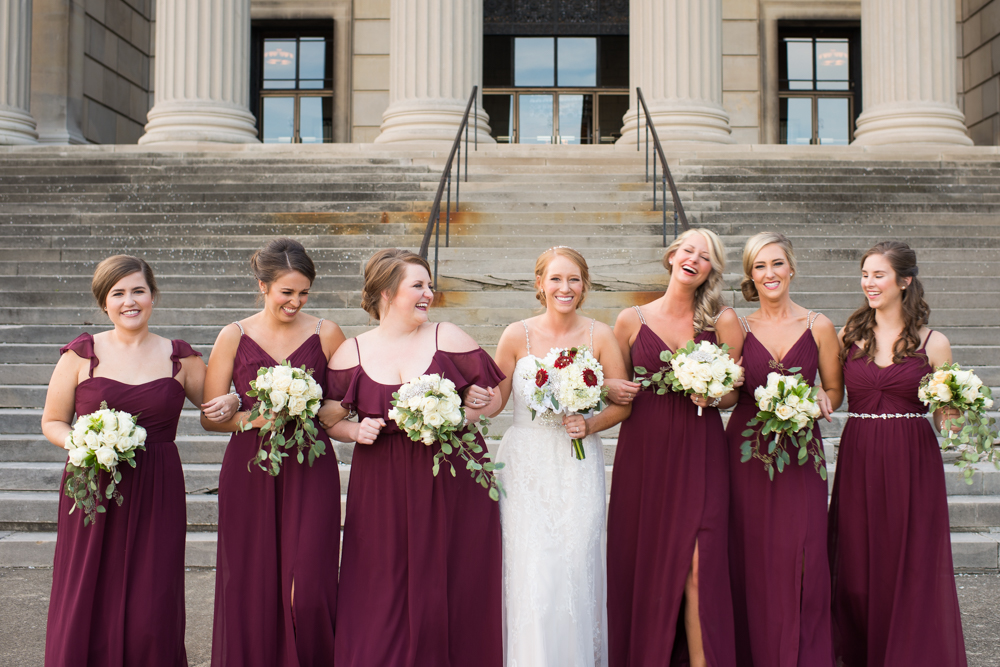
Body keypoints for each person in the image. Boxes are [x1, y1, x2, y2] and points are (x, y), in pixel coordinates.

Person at [41, 255, 236, 666]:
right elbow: (53, 422)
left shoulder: (182, 358)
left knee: (153, 594)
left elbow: (214, 411)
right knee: (88, 586)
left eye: (138, 291)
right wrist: (85, 443)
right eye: (118, 293)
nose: (130, 301)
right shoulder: (80, 354)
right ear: (104, 302)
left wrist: (235, 399)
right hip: (92, 484)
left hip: (157, 487)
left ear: (152, 296)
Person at [324, 248, 504, 667]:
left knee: (456, 576)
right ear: (386, 292)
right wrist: (354, 429)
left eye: (429, 285)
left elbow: (492, 399)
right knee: (380, 580)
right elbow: (329, 415)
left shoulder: (450, 337)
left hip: (453, 478)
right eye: (417, 285)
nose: (429, 293)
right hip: (381, 484)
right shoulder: (351, 352)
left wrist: (470, 407)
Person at [203, 238, 346, 667]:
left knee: (312, 584)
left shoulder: (328, 333)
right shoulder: (234, 335)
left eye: (304, 293)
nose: (296, 301)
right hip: (251, 468)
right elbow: (212, 416)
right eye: (287, 292)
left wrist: (331, 407)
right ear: (263, 285)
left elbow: (341, 403)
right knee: (250, 580)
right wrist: (251, 414)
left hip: (311, 466)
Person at [605, 228, 743, 667]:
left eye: (705, 257)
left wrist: (714, 394)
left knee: (700, 568)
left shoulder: (722, 321)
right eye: (688, 250)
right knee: (646, 564)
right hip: (644, 456)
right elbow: (617, 391)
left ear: (711, 270)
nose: (694, 260)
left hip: (701, 452)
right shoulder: (631, 319)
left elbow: (735, 394)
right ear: (671, 256)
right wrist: (610, 385)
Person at [489, 246, 631, 666]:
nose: (564, 287)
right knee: (532, 566)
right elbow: (496, 400)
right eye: (555, 279)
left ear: (584, 285)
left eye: (573, 279)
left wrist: (589, 424)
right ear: (539, 284)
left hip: (576, 462)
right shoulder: (518, 335)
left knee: (573, 563)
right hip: (525, 463)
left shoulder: (599, 335)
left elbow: (622, 404)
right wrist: (469, 399)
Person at [829, 240, 967, 667]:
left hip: (912, 460)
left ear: (904, 281)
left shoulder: (934, 343)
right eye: (865, 274)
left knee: (909, 562)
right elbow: (832, 396)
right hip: (859, 455)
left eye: (879, 275)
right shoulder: (847, 336)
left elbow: (947, 418)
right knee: (855, 565)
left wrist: (960, 410)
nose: (869, 283)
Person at [726, 232, 843, 667]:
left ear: (791, 268)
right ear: (750, 276)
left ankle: (802, 655)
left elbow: (834, 389)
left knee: (803, 554)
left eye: (776, 264)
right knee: (749, 551)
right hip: (747, 452)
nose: (769, 274)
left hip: (800, 453)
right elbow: (725, 398)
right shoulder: (736, 325)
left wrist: (819, 399)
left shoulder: (819, 326)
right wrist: (724, 386)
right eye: (759, 266)